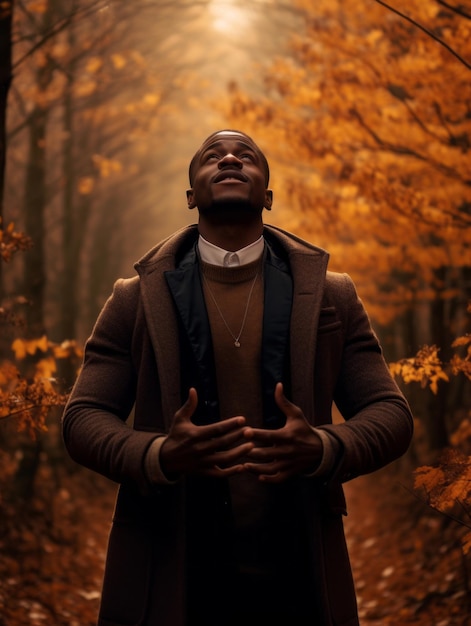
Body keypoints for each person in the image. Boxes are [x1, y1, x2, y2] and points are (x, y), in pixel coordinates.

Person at [62, 129, 414, 626]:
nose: (229, 157)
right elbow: (81, 419)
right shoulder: (135, 298)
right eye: (213, 155)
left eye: (246, 155)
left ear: (267, 195)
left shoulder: (331, 296)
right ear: (191, 196)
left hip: (299, 569)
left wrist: (324, 447)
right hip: (170, 568)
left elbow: (391, 414)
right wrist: (158, 454)